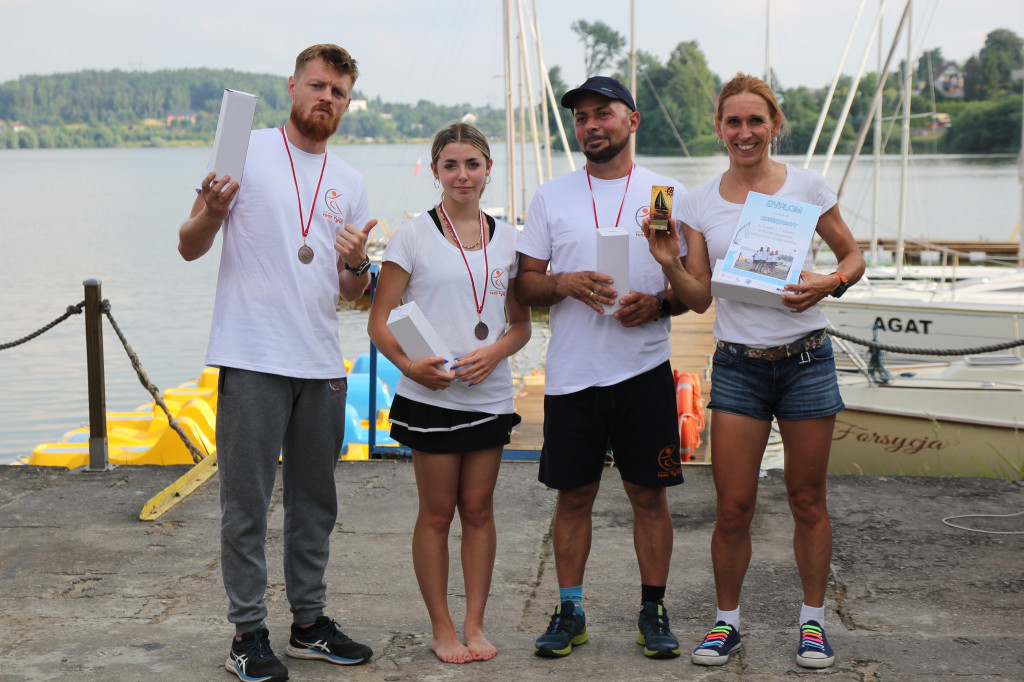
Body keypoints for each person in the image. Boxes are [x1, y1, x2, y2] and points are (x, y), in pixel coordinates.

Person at [642, 72, 865, 669]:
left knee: (806, 499)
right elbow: (698, 297)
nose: (745, 132)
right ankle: (726, 623)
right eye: (733, 122)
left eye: (755, 121)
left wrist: (830, 281)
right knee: (733, 506)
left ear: (774, 126)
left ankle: (813, 625)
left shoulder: (808, 187)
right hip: (739, 365)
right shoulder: (695, 202)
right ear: (719, 129)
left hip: (806, 361)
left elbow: (853, 256)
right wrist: (667, 262)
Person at [178, 44, 377, 682]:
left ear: (347, 103)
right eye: (317, 86)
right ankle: (247, 635)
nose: (327, 99)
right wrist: (210, 210)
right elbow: (188, 247)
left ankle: (309, 625)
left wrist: (356, 263)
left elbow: (351, 293)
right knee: (247, 503)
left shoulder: (350, 181)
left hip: (320, 361)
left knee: (315, 504)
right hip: (253, 354)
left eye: (339, 93)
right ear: (292, 86)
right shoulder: (245, 151)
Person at [515, 76, 688, 660]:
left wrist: (659, 302)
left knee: (648, 496)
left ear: (632, 121)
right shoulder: (551, 196)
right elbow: (525, 284)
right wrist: (562, 282)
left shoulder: (665, 195)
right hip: (572, 375)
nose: (591, 125)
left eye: (603, 114)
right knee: (573, 497)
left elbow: (692, 289)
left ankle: (653, 609)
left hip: (643, 371)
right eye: (582, 117)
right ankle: (570, 611)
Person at [366, 122, 531, 664]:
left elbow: (520, 327)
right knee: (437, 514)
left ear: (488, 171)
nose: (463, 175)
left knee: (479, 511)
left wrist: (496, 352)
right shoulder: (412, 235)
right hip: (431, 394)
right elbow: (379, 321)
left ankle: (475, 624)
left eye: (473, 165)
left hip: (488, 394)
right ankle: (441, 628)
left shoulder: (510, 239)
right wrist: (410, 367)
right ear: (436, 171)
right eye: (451, 165)